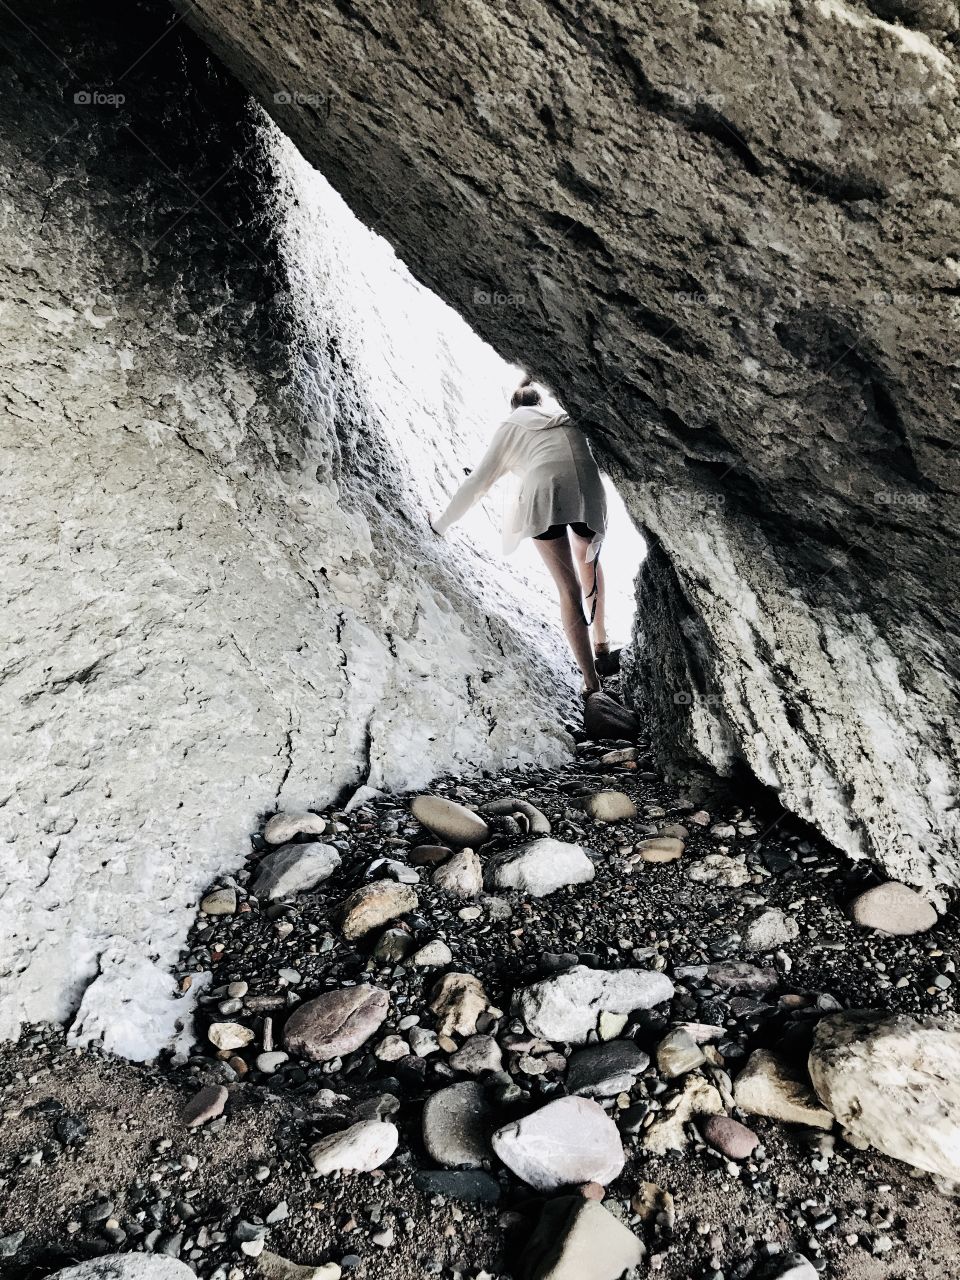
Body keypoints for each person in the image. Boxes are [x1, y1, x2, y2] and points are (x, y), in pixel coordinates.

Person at [431, 378, 626, 712]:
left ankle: (592, 684)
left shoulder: (510, 424)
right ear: (540, 401)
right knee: (588, 560)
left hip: (543, 491)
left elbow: (478, 482)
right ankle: (602, 642)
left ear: (513, 406)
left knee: (567, 588)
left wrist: (442, 523)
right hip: (586, 485)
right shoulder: (563, 413)